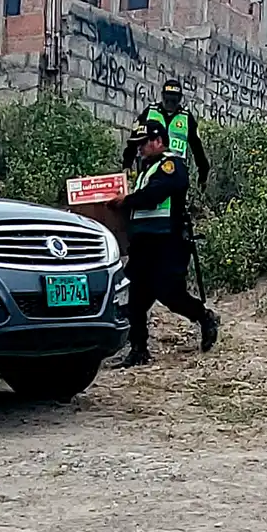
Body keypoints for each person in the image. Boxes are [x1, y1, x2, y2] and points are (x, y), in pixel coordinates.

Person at [108, 119, 219, 368]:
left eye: (143, 144)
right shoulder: (147, 167)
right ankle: (139, 350)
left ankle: (204, 317)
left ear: (158, 141)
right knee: (135, 297)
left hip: (167, 243)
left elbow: (154, 197)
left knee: (169, 293)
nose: (140, 149)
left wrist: (126, 200)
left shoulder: (172, 166)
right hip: (144, 244)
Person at [122, 79, 211, 191]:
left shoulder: (186, 117)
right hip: (149, 169)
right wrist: (127, 165)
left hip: (176, 172)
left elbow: (197, 149)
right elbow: (134, 140)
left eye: (173, 101)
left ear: (179, 99)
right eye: (167, 100)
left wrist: (203, 175)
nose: (170, 104)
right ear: (163, 97)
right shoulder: (150, 112)